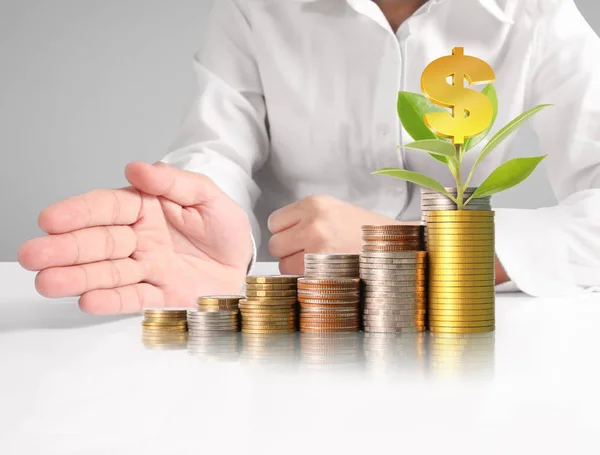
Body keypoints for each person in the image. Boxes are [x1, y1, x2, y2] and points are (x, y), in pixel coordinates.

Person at [17, 0, 600, 314]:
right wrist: (196, 219)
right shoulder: (254, 9)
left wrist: (417, 252)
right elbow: (217, 146)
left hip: (462, 320)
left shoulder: (539, 13)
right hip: (292, 317)